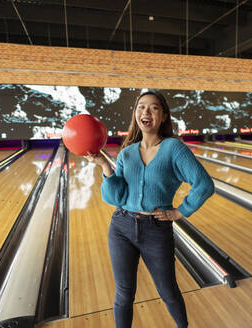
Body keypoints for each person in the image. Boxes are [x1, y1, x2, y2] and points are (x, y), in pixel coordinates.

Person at [85, 91, 215, 328]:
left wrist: (179, 212)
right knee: (124, 293)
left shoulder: (174, 148)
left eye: (153, 108)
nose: (146, 112)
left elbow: (204, 184)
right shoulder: (126, 153)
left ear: (163, 116)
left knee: (168, 291)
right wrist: (105, 166)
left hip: (156, 230)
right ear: (135, 114)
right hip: (121, 226)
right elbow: (116, 197)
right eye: (141, 107)